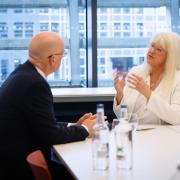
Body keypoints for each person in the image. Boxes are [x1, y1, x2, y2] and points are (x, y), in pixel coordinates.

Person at [0, 32, 96, 180]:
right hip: (21, 168)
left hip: (11, 159)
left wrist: (74, 125)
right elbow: (51, 136)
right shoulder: (35, 84)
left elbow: (41, 124)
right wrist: (85, 129)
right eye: (62, 54)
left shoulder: (21, 74)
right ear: (52, 59)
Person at [113, 32, 180, 125]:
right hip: (135, 134)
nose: (151, 51)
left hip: (163, 137)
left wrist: (148, 93)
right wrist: (120, 95)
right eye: (152, 45)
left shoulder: (177, 79)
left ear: (170, 56)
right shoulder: (136, 72)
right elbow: (122, 117)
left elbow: (176, 117)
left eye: (159, 50)